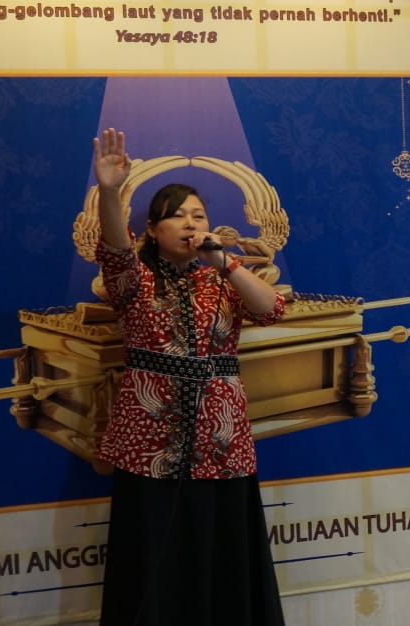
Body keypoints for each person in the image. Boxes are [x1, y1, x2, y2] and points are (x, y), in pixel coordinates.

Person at [91, 128, 287, 626]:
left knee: (221, 546)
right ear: (153, 229)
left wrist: (224, 261)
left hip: (221, 439)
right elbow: (114, 249)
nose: (190, 223)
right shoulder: (135, 280)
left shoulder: (222, 277)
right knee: (154, 547)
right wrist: (110, 192)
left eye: (198, 215)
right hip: (150, 437)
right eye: (177, 215)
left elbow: (272, 310)